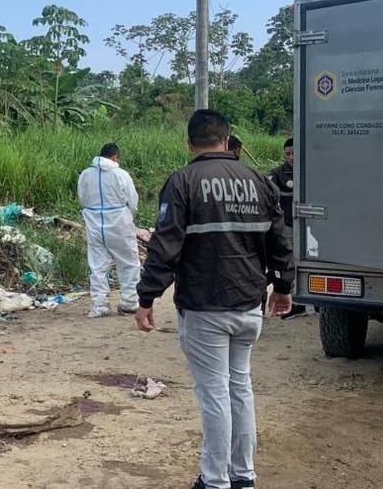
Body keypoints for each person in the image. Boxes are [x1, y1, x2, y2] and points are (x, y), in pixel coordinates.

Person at [136, 110, 293, 489]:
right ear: (227, 141)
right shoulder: (259, 181)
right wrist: (284, 287)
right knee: (240, 388)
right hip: (249, 305)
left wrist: (147, 296)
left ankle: (216, 481)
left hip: (205, 307)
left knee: (215, 395)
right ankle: (243, 475)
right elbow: (280, 241)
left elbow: (166, 245)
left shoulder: (183, 182)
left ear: (190, 144)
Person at [77, 143, 141, 318]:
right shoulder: (121, 175)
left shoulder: (85, 175)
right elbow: (133, 201)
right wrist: (128, 215)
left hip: (94, 222)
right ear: (115, 157)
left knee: (97, 265)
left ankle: (100, 304)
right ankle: (130, 302)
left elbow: (82, 199)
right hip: (119, 221)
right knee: (128, 262)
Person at [268, 137, 307, 319]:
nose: (291, 157)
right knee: (291, 263)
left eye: (294, 153)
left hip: (310, 227)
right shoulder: (277, 174)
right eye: (288, 154)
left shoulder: (310, 170)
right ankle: (295, 304)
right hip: (289, 226)